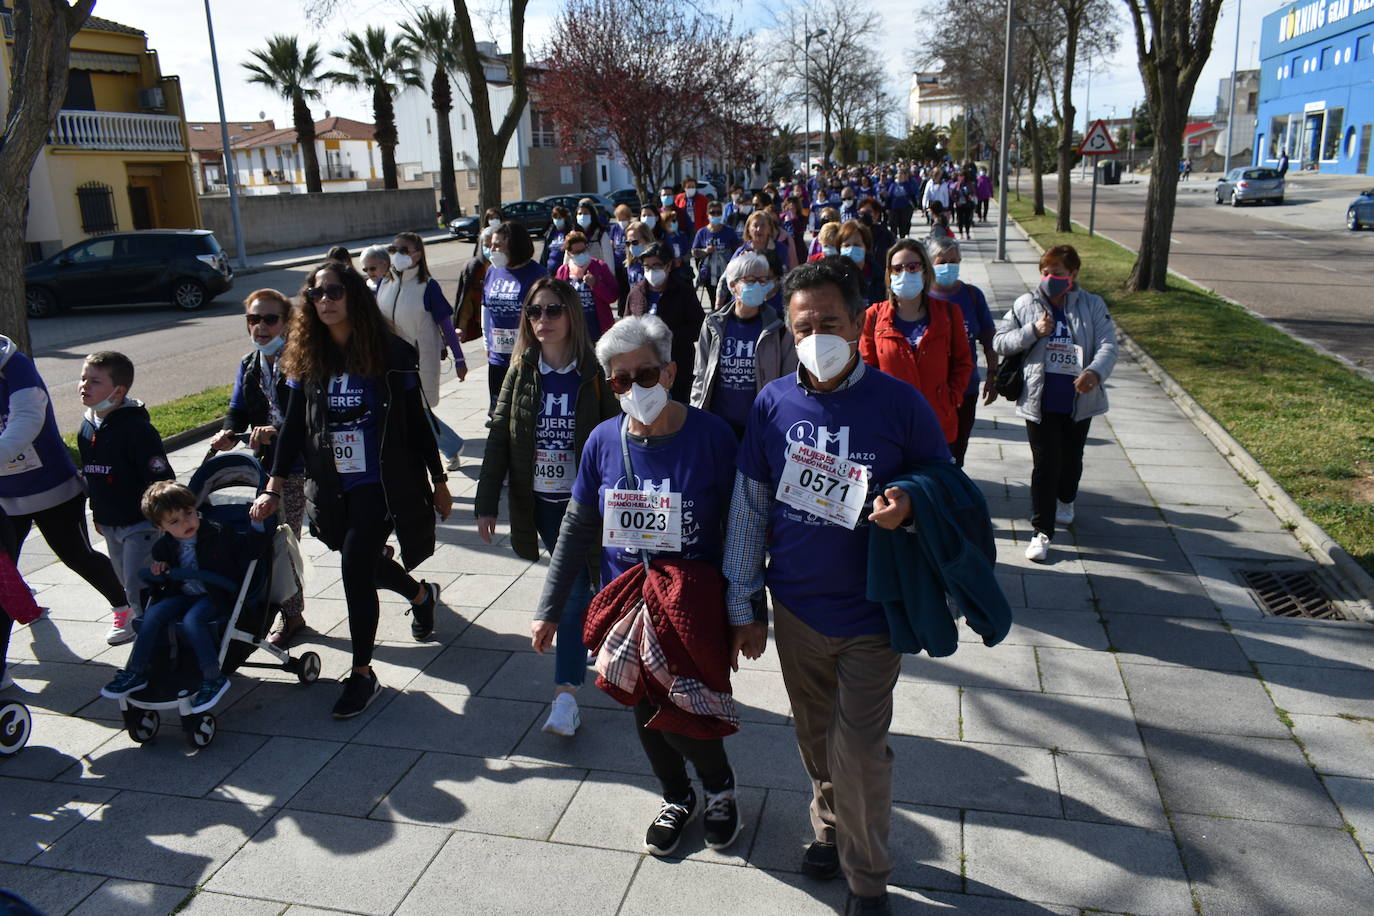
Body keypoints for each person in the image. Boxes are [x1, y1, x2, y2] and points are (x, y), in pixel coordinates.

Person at [722, 258, 952, 915]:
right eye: (802, 326)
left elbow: (945, 479)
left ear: (858, 321)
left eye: (829, 322)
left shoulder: (898, 404)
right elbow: (749, 509)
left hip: (874, 613)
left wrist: (908, 497)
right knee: (818, 739)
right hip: (795, 609)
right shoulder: (772, 405)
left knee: (857, 751)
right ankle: (829, 821)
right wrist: (744, 604)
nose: (815, 334)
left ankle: (867, 878)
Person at [534, 315, 743, 856]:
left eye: (645, 375)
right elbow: (577, 526)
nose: (634, 389)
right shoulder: (603, 441)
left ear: (671, 372)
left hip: (694, 606)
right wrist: (549, 607)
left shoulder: (713, 437)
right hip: (627, 603)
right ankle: (676, 795)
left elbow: (743, 529)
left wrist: (747, 608)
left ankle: (719, 788)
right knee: (642, 705)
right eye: (620, 381)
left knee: (693, 708)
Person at [249, 261, 451, 718]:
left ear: (355, 296)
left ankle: (362, 674)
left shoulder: (392, 353)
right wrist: (273, 486)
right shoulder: (306, 357)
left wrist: (438, 480)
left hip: (380, 480)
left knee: (356, 567)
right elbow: (293, 426)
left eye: (336, 291)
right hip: (332, 483)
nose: (326, 300)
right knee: (360, 561)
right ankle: (421, 596)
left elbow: (417, 422)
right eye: (317, 294)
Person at [475, 278, 619, 736]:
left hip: (587, 503)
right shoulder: (522, 369)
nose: (542, 320)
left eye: (552, 310)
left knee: (573, 591)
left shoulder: (596, 370)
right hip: (539, 501)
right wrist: (485, 500)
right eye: (534, 312)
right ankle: (592, 641)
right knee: (582, 585)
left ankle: (565, 697)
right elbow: (500, 432)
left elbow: (622, 430)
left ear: (572, 313)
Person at [0, 337, 130, 652]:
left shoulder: (14, 365)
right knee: (4, 575)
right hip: (5, 497)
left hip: (52, 489)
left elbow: (26, 421)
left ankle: (125, 606)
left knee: (77, 555)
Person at [993, 244, 1117, 563]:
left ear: (1073, 275)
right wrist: (1033, 330)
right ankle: (1041, 532)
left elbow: (1108, 344)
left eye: (1058, 273)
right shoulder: (1026, 304)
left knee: (1071, 461)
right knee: (1045, 466)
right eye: (1046, 272)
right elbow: (1000, 341)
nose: (1051, 278)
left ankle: (1067, 497)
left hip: (1079, 401)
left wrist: (1094, 371)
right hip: (1040, 400)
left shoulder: (1091, 304)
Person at [100, 481, 261, 711]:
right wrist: (160, 571)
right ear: (161, 526)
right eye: (174, 521)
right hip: (184, 593)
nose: (186, 522)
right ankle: (137, 671)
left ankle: (212, 675)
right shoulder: (164, 547)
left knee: (192, 621)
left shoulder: (218, 531)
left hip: (214, 595)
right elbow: (162, 580)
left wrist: (258, 527)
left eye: (189, 513)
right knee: (152, 614)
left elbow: (248, 551)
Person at [209, 288, 310, 646]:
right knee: (278, 539)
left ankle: (387, 567)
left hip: (304, 465)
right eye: (254, 319)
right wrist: (227, 432)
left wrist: (277, 430)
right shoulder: (249, 363)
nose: (261, 326)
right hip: (269, 469)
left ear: (287, 323)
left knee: (293, 538)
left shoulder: (300, 360)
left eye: (270, 319)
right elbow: (237, 409)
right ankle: (292, 614)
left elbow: (309, 418)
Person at [77, 351, 175, 643]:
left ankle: (153, 636)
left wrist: (161, 516)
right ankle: (141, 623)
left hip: (140, 523)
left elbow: (159, 477)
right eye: (83, 378)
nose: (84, 385)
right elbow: (93, 476)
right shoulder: (87, 427)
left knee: (138, 583)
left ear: (118, 391)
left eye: (94, 381)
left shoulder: (136, 429)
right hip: (110, 522)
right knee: (124, 579)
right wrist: (97, 511)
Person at [859, 239, 973, 449]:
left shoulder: (949, 313)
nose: (905, 273)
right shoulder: (874, 316)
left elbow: (963, 362)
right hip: (890, 424)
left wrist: (951, 398)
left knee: (936, 481)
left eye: (912, 267)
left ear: (925, 271)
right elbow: (867, 368)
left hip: (938, 421)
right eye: (897, 268)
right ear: (889, 274)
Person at [374, 233, 467, 468]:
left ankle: (448, 445)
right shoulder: (385, 283)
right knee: (404, 407)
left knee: (417, 407)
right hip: (389, 358)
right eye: (393, 249)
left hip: (418, 360)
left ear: (418, 254)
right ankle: (447, 445)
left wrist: (459, 359)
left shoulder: (427, 286)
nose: (397, 254)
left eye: (404, 250)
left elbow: (445, 323)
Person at [690, 252, 797, 439]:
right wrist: (696, 415)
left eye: (763, 280)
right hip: (719, 424)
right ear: (733, 285)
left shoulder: (779, 328)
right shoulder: (713, 324)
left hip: (761, 425)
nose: (757, 285)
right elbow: (701, 375)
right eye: (750, 280)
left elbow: (789, 380)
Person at [926, 238, 997, 467]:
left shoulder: (972, 296)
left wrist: (993, 374)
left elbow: (988, 336)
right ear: (930, 263)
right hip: (930, 389)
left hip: (965, 388)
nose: (948, 266)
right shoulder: (921, 297)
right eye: (942, 261)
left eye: (954, 261)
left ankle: (953, 490)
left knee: (958, 448)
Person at [624, 242, 704, 404]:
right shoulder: (636, 293)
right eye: (646, 267)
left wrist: (667, 336)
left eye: (656, 265)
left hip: (678, 364)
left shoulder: (684, 292)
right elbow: (626, 326)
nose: (651, 271)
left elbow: (698, 327)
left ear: (668, 266)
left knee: (677, 409)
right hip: (644, 367)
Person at [483, 221, 548, 412]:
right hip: (498, 357)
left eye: (497, 245)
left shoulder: (538, 274)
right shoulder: (492, 271)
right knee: (498, 413)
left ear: (513, 245)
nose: (491, 249)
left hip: (528, 356)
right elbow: (485, 305)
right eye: (490, 245)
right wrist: (487, 342)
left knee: (523, 412)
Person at [553, 230, 617, 340]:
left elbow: (613, 296)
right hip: (573, 332)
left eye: (583, 250)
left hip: (599, 330)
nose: (581, 255)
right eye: (576, 252)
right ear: (569, 253)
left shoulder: (600, 267)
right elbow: (556, 299)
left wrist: (596, 284)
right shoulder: (563, 271)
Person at [690, 200, 742, 308]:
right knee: (714, 301)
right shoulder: (702, 232)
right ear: (707, 214)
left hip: (727, 272)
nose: (716, 215)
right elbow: (694, 251)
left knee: (728, 301)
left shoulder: (729, 231)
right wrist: (705, 251)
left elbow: (738, 249)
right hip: (710, 274)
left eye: (718, 213)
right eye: (713, 213)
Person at [835, 220, 884, 304]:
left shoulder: (878, 277)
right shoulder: (833, 276)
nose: (851, 249)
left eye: (857, 245)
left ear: (866, 247)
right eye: (847, 245)